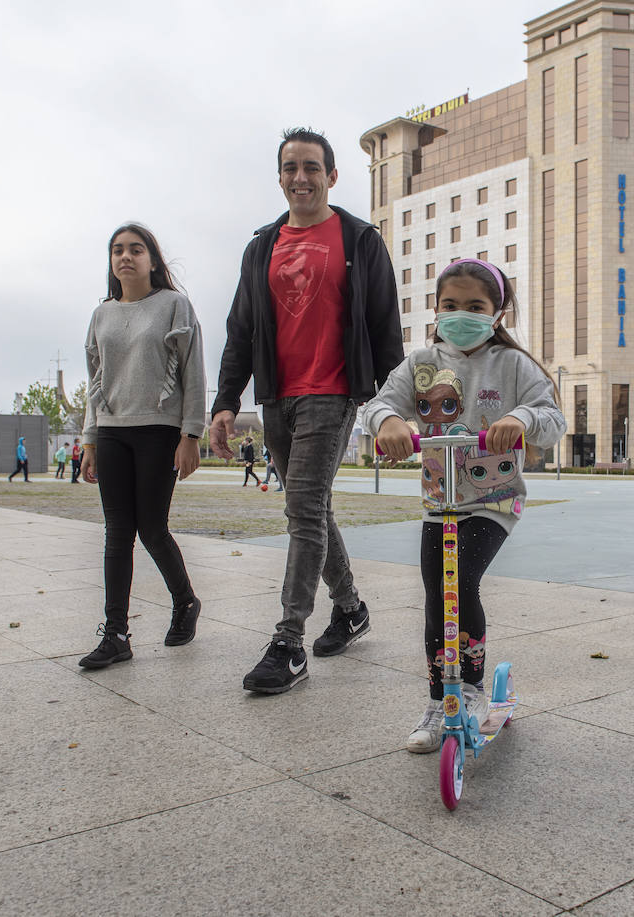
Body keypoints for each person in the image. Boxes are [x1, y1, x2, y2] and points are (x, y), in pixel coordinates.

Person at [210, 127, 403, 694]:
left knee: (302, 509)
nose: (301, 177)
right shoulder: (261, 247)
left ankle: (288, 642)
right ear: (280, 177)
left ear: (332, 176)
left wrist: (392, 405)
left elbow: (384, 327)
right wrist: (226, 401)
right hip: (276, 395)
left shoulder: (359, 239)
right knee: (311, 507)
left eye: (312, 167)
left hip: (333, 388)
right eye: (291, 168)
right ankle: (350, 608)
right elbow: (241, 329)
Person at [363, 258, 565, 753]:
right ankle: (439, 699)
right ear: (435, 309)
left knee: (462, 582)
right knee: (437, 594)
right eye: (450, 305)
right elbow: (378, 404)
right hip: (440, 501)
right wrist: (388, 422)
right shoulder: (421, 364)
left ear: (496, 314)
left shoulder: (513, 365)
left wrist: (519, 419)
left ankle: (470, 689)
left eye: (475, 306)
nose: (461, 314)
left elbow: (552, 419)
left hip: (492, 501)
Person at [77, 223, 208, 669]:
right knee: (117, 532)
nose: (125, 257)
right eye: (117, 250)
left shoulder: (174, 305)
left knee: (152, 528)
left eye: (135, 250)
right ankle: (116, 633)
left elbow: (193, 373)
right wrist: (90, 440)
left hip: (159, 430)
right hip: (112, 430)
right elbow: (94, 383)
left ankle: (185, 601)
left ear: (153, 260)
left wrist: (191, 434)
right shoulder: (101, 315)